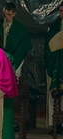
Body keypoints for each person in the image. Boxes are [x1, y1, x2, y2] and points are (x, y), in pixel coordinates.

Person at [0, 2, 32, 77]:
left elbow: (23, 47)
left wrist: (14, 59)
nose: (6, 17)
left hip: (15, 58)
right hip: (0, 58)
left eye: (9, 15)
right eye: (5, 14)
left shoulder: (20, 29)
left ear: (14, 14)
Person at [45, 2, 63, 132]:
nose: (62, 14)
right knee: (54, 94)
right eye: (61, 11)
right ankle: (54, 124)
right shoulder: (54, 29)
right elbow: (48, 48)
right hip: (55, 67)